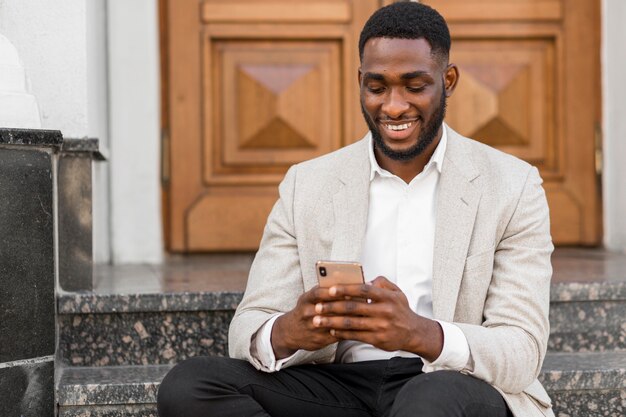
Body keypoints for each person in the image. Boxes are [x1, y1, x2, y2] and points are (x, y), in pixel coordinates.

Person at [157, 2, 555, 416]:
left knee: (428, 400)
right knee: (191, 385)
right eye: (377, 87)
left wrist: (423, 334)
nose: (394, 107)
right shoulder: (307, 184)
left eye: (414, 86)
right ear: (360, 82)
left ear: (448, 80)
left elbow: (522, 348)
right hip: (340, 386)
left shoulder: (512, 185)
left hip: (450, 384)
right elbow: (248, 325)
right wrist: (290, 331)